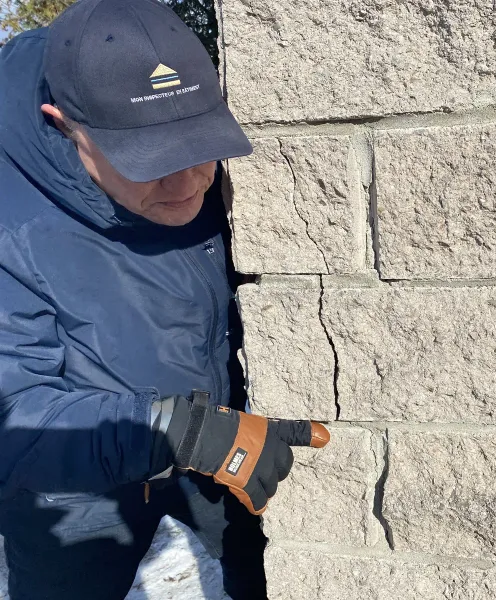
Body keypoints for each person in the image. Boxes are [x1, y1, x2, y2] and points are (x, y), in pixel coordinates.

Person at [0, 0, 329, 598]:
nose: (188, 184)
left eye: (199, 145)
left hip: (227, 435)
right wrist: (180, 431)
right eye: (148, 160)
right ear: (63, 123)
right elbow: (11, 413)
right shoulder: (9, 219)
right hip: (75, 486)